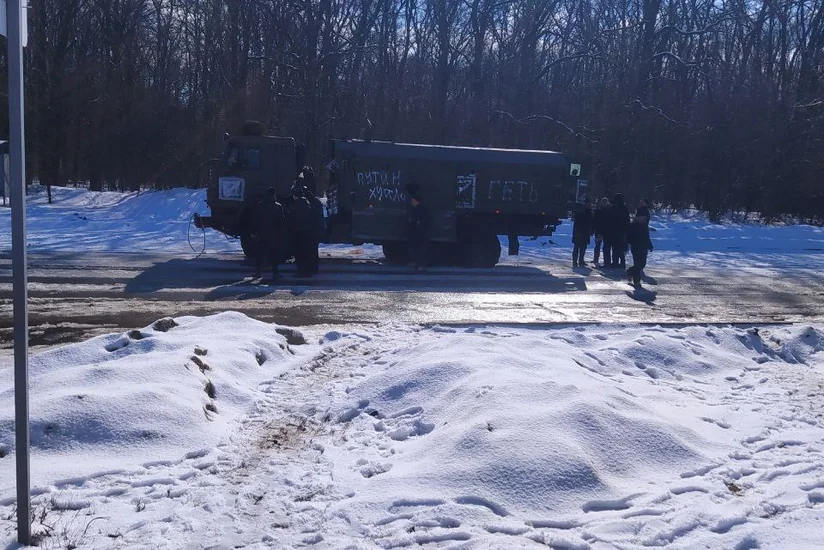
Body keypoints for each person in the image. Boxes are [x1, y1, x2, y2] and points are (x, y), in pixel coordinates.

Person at [253, 187, 285, 282]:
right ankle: (275, 272)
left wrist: (254, 232)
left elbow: (255, 220)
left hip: (261, 233)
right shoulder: (278, 206)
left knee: (259, 253)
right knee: (274, 254)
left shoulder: (259, 206)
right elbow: (281, 222)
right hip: (274, 234)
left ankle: (258, 271)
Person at [287, 183, 315, 277]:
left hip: (299, 231)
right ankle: (307, 271)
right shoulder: (306, 203)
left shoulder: (297, 205)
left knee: (299, 254)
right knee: (305, 253)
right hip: (307, 231)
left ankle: (301, 272)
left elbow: (293, 218)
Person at [627, 198, 653, 287]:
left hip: (643, 244)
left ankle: (630, 271)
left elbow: (646, 235)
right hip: (636, 244)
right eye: (642, 218)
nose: (643, 219)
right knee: (637, 263)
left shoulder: (644, 226)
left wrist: (649, 244)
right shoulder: (634, 225)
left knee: (642, 263)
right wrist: (628, 242)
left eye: (645, 218)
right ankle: (636, 281)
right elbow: (629, 234)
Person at [406, 184, 431, 272]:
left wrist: (418, 222)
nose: (412, 202)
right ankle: (417, 263)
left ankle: (421, 264)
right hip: (417, 231)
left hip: (421, 231)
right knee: (417, 248)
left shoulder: (421, 208)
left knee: (421, 249)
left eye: (413, 201)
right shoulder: (416, 208)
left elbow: (426, 219)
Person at [304, 186, 325, 275]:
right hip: (316, 230)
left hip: (310, 230)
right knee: (314, 250)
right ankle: (314, 268)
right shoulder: (317, 202)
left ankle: (309, 268)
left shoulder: (308, 204)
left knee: (308, 251)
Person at [606, 193, 630, 268]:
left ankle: (615, 262)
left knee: (615, 248)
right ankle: (621, 262)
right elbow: (627, 219)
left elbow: (610, 218)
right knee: (620, 248)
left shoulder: (614, 207)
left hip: (615, 230)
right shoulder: (624, 208)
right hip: (621, 231)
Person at [571, 201, 593, 267]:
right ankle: (579, 261)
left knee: (578, 247)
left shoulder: (579, 211)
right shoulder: (588, 212)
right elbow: (589, 222)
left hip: (579, 231)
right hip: (583, 231)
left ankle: (577, 261)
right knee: (581, 247)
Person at [592, 197, 610, 266]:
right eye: (603, 202)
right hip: (599, 230)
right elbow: (595, 221)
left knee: (606, 247)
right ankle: (596, 259)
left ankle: (606, 261)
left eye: (605, 202)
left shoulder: (608, 211)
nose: (604, 203)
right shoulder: (598, 210)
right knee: (597, 246)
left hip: (606, 231)